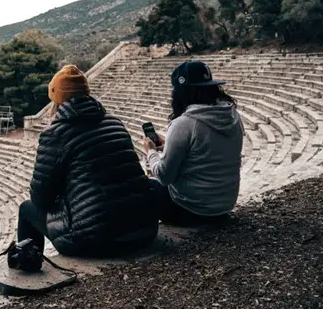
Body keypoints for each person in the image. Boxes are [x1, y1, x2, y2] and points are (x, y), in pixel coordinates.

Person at [16, 64, 159, 264]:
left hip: (98, 240)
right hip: (145, 229)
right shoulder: (114, 123)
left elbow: (40, 198)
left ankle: (28, 266)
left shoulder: (55, 134)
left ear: (56, 101)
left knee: (27, 209)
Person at [143, 61, 244, 226]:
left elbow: (164, 176)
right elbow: (206, 148)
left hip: (190, 211)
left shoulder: (184, 124)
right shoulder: (233, 116)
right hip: (224, 207)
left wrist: (151, 152)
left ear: (181, 92)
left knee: (145, 185)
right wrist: (170, 144)